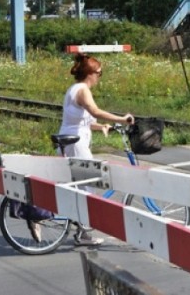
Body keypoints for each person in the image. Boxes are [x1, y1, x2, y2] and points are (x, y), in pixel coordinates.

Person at [56, 53, 134, 246]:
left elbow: (83, 121)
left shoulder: (74, 89)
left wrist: (101, 127)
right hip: (76, 144)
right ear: (90, 73)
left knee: (81, 186)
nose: (100, 76)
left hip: (70, 140)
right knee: (89, 186)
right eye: (100, 73)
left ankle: (81, 228)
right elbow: (95, 111)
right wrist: (122, 119)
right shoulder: (83, 90)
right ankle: (84, 234)